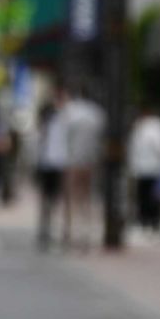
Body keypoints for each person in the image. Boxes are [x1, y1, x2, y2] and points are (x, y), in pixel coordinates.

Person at [59, 88, 106, 251]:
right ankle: (85, 234)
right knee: (87, 198)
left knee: (71, 198)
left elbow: (63, 139)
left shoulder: (69, 112)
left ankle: (71, 233)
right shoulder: (97, 114)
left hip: (73, 161)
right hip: (90, 161)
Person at [128, 105, 160, 232]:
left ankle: (150, 220)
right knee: (149, 196)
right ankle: (150, 220)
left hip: (151, 167)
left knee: (148, 196)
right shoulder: (145, 126)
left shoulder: (153, 126)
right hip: (150, 167)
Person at [36, 100, 69, 251]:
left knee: (49, 200)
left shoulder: (54, 126)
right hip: (54, 165)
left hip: (54, 165)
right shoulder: (57, 125)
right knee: (53, 200)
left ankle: (51, 230)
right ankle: (51, 230)